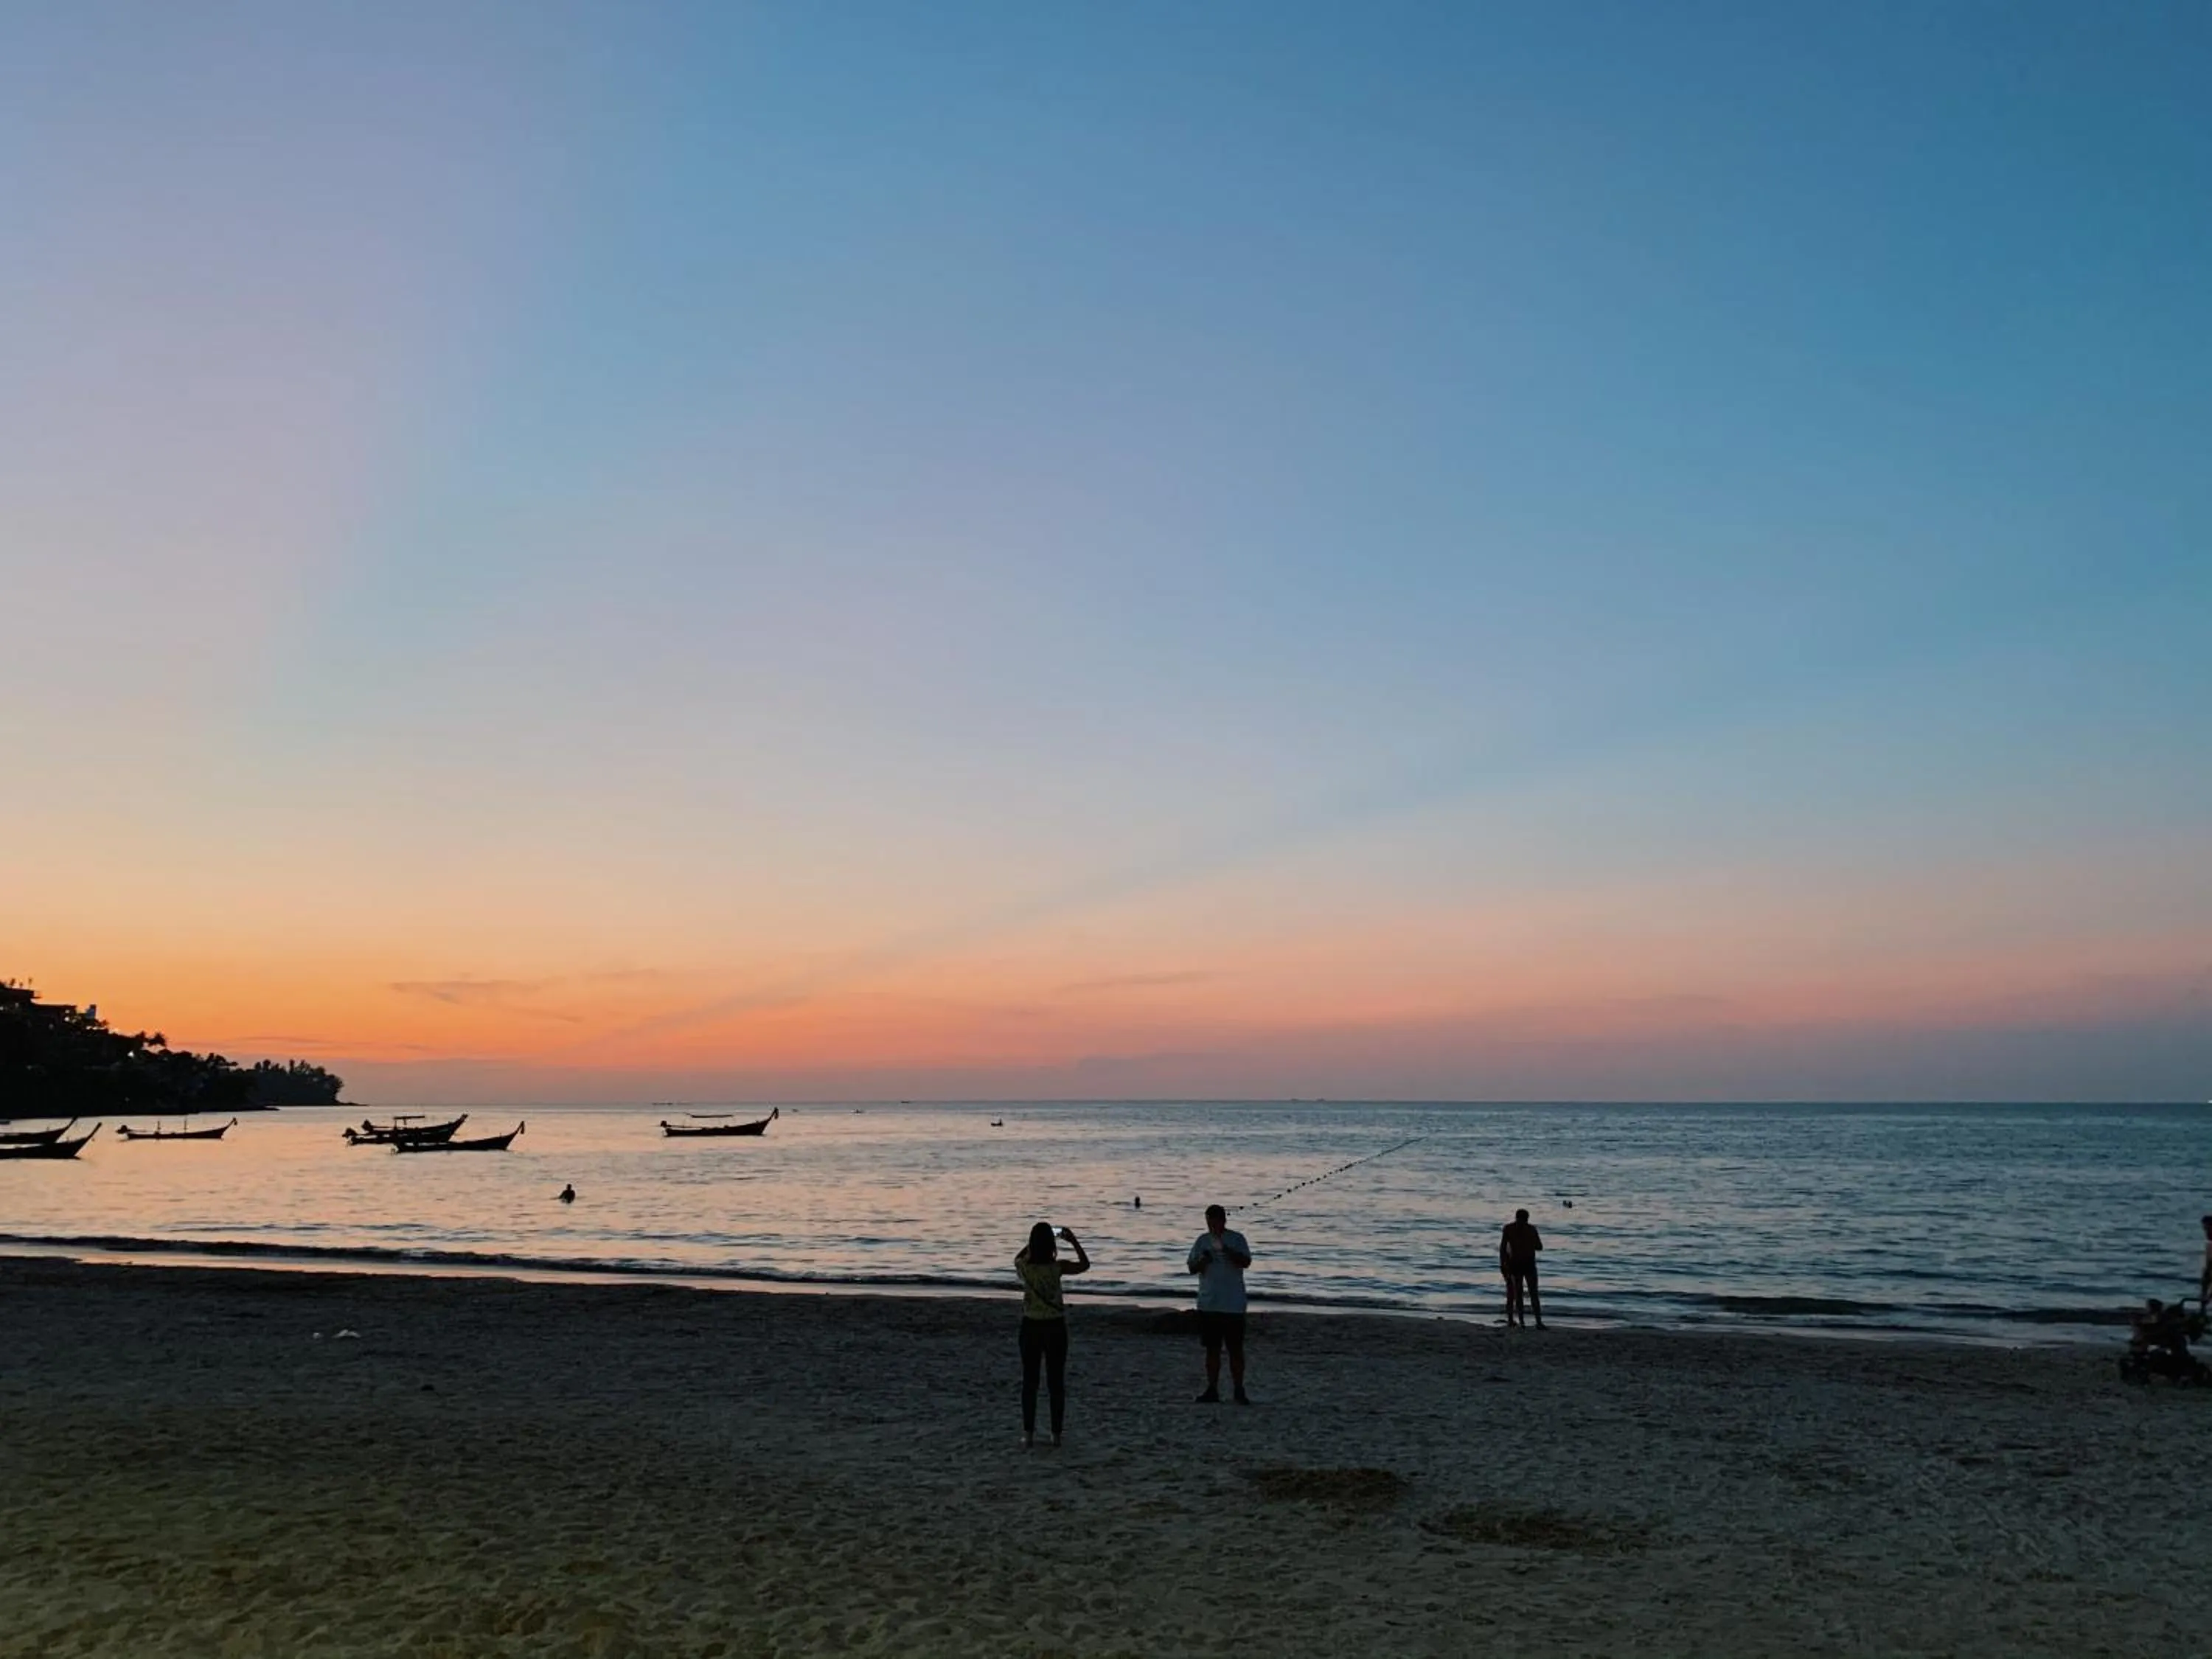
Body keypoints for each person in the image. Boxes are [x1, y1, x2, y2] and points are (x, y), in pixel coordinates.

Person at [1014, 1222, 1088, 1448]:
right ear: (1052, 1245)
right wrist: (1072, 1240)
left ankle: (1028, 1434)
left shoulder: (1025, 1267)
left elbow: (1018, 1257)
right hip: (1055, 1327)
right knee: (1056, 1383)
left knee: (1030, 1382)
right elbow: (1084, 1265)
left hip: (1031, 1326)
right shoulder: (1057, 1267)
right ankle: (1056, 1435)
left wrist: (1032, 1244)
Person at [1187, 1204, 1253, 1404]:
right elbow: (1192, 1268)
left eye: (1215, 1222)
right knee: (1212, 1349)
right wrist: (1203, 1260)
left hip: (1233, 1304)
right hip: (1210, 1302)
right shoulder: (1202, 1241)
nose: (1212, 1226)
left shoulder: (1236, 1239)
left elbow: (1246, 1262)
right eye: (1209, 1222)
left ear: (1223, 1220)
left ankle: (1239, 1389)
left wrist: (1226, 1251)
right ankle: (1212, 1389)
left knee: (1235, 1350)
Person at [1501, 1208, 1544, 1329]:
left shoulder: (1509, 1229)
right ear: (1527, 1219)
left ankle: (1522, 1322)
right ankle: (1538, 1322)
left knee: (1518, 1294)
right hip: (1528, 1263)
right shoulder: (1531, 1229)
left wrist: (1503, 1263)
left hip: (1515, 1263)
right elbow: (1539, 1247)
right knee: (1533, 1293)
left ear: (1516, 1217)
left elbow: (1503, 1248)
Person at [2198, 1215, 2211, 1310]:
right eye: (2205, 1230)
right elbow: (2207, 1271)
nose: (2206, 1233)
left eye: (2208, 1229)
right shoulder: (2210, 1246)